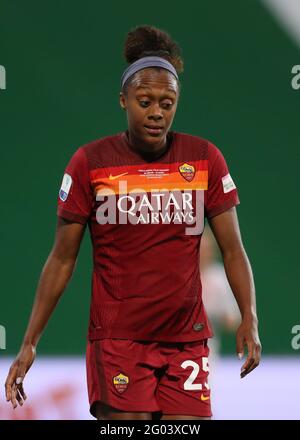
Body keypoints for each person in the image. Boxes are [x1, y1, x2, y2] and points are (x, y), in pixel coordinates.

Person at [5, 25, 261, 420]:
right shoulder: (90, 164)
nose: (157, 112)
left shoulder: (205, 159)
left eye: (167, 102)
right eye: (144, 101)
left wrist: (250, 317)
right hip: (118, 342)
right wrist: (29, 342)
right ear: (123, 100)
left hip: (187, 342)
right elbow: (61, 260)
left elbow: (233, 250)